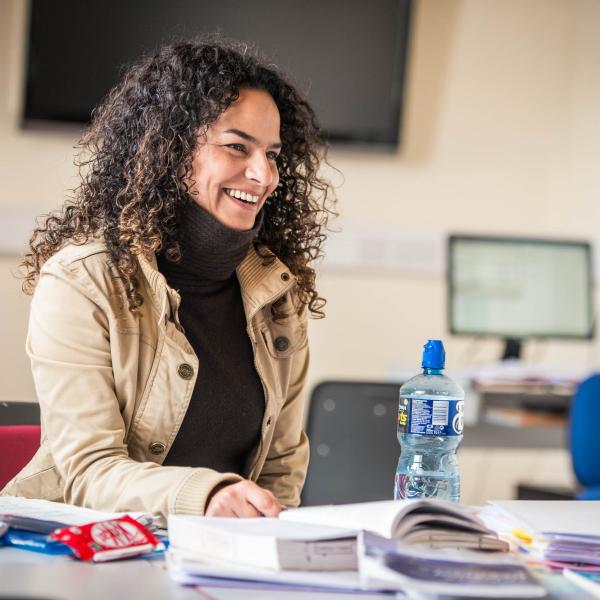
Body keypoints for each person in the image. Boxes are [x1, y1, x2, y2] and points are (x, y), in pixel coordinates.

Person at [1, 38, 335, 525]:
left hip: (221, 560)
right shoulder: (83, 280)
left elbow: (280, 469)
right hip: (92, 556)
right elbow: (88, 472)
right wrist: (207, 494)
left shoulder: (278, 294)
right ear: (171, 150)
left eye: (273, 154)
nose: (264, 174)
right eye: (237, 147)